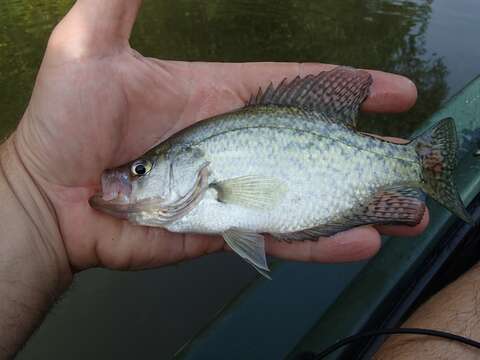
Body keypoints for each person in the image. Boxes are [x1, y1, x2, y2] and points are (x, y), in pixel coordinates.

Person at [0, 0, 429, 357]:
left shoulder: (209, 180)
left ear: (193, 167)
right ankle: (411, 167)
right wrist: (31, 190)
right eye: (139, 170)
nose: (129, 178)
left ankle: (412, 165)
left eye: (141, 170)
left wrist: (29, 195)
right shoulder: (197, 185)